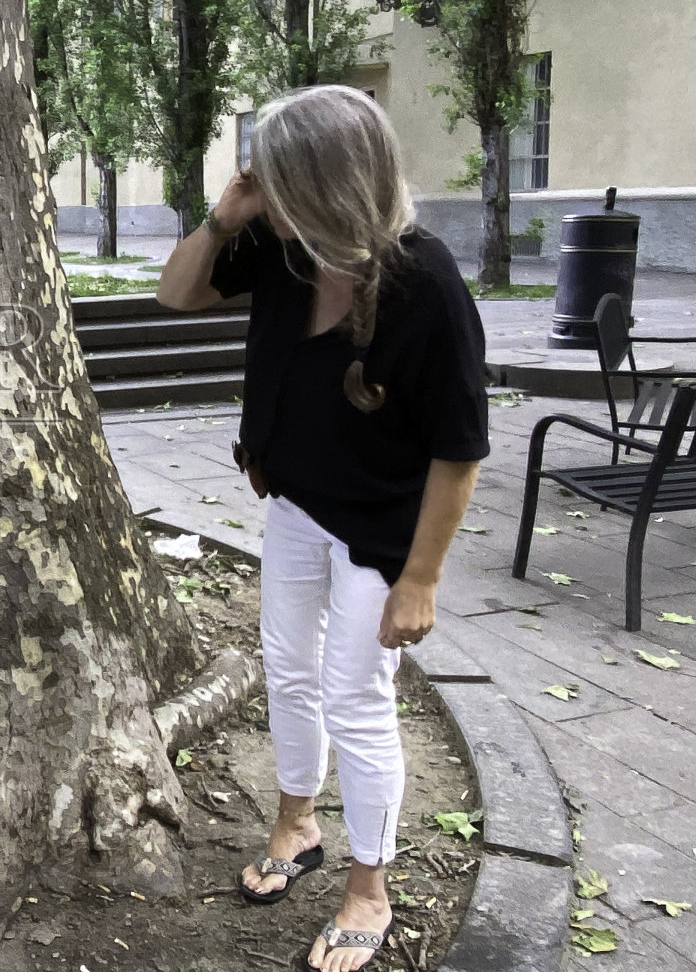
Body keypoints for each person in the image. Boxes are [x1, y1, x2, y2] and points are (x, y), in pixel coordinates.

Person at [153, 84, 488, 972]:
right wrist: (226, 217)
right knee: (288, 672)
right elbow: (175, 294)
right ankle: (296, 824)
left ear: (329, 185)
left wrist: (421, 579)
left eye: (280, 181)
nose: (269, 197)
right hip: (295, 505)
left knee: (356, 697)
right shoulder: (276, 245)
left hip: (382, 535)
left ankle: (368, 888)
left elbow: (459, 454)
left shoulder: (428, 284)